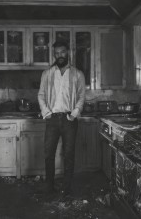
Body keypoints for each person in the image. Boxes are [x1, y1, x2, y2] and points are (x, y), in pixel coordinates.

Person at [38, 41, 86, 196]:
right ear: (54, 54)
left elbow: (81, 96)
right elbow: (41, 95)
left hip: (69, 119)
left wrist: (74, 114)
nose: (59, 55)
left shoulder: (78, 74)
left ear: (68, 52)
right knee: (48, 154)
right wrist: (46, 113)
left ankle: (67, 187)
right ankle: (49, 186)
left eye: (62, 52)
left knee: (69, 155)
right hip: (52, 119)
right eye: (57, 53)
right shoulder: (47, 73)